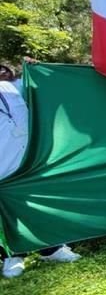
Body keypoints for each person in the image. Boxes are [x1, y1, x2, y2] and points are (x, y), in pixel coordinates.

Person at [1, 62, 82, 278]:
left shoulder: (17, 87)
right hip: (2, 164)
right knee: (8, 213)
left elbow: (46, 90)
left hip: (29, 159)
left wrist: (38, 70)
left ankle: (51, 249)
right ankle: (13, 255)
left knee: (39, 205)